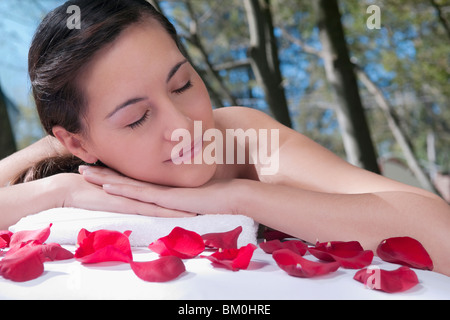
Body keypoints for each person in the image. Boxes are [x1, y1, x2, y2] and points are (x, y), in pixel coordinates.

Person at [0, 0, 449, 276]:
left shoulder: (241, 138)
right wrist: (56, 191)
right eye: (137, 118)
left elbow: (439, 231)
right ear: (78, 144)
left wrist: (239, 197)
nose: (184, 126)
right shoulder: (66, 157)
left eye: (182, 85)